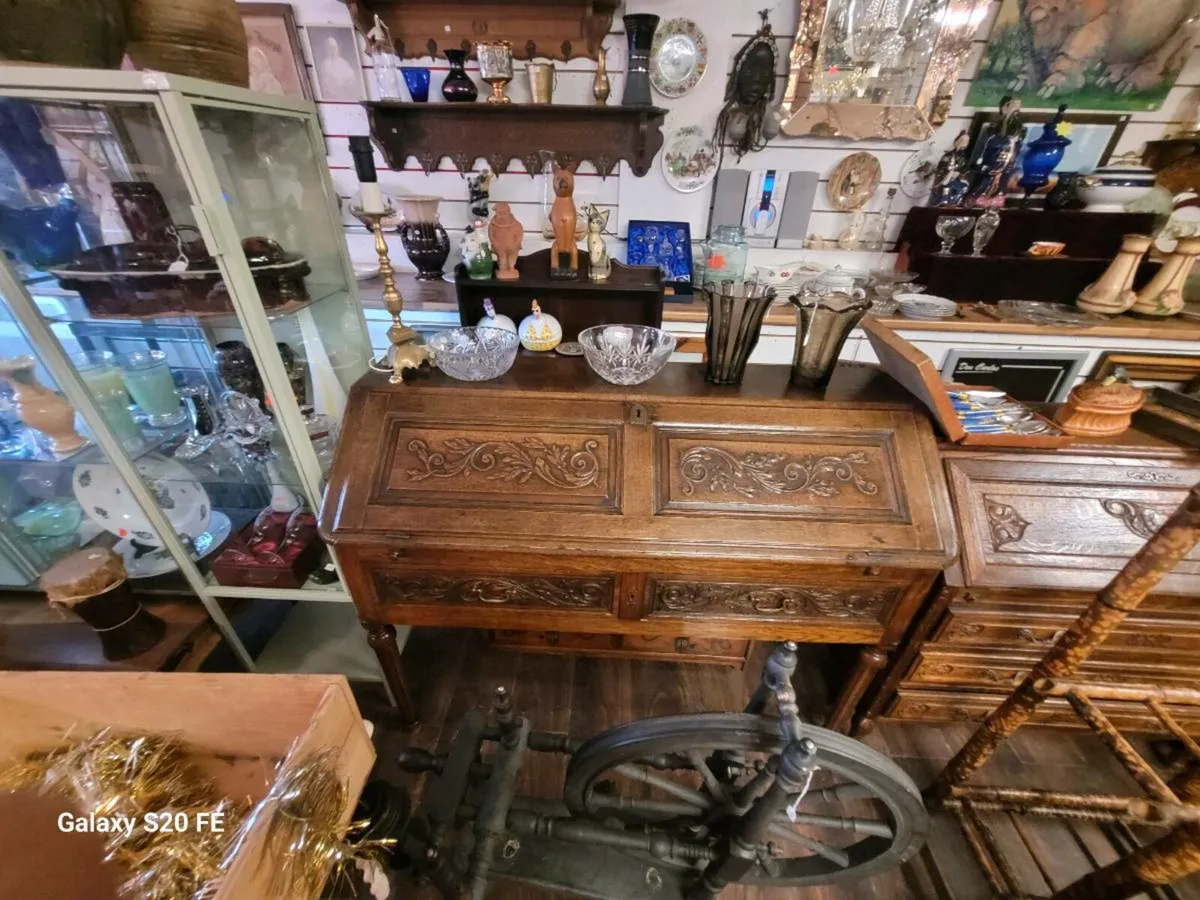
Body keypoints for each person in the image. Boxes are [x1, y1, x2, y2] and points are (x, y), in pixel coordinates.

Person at [318, 35, 360, 99]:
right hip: (333, 96)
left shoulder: (343, 62)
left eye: (334, 47)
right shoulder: (325, 64)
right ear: (326, 49)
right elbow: (330, 82)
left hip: (347, 94)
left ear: (337, 48)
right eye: (330, 48)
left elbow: (352, 77)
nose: (332, 50)